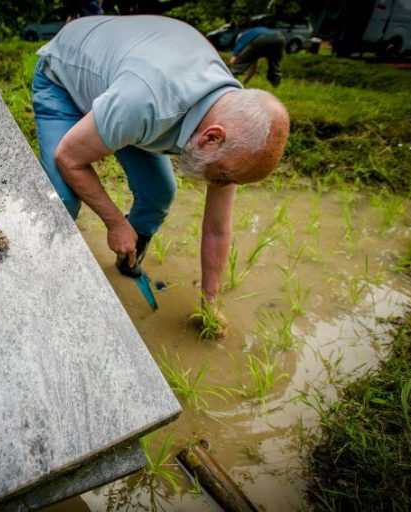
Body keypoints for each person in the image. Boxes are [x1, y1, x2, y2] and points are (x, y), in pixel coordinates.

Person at [31, 16, 289, 324]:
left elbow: (218, 228)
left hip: (124, 91)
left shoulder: (233, 120)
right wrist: (114, 223)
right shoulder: (144, 102)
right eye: (222, 176)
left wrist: (211, 302)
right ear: (212, 138)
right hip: (65, 79)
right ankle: (40, 280)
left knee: (160, 192)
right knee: (64, 200)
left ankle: (128, 259)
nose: (220, 184)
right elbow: (69, 157)